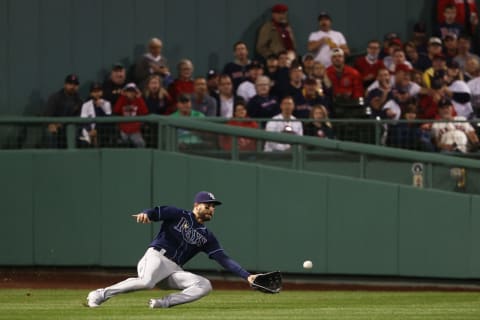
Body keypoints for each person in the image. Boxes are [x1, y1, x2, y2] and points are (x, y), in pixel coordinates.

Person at [86, 191, 259, 308]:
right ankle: (100, 294)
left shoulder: (207, 236)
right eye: (208, 205)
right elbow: (154, 212)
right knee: (146, 282)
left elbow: (224, 259)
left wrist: (247, 276)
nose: (211, 209)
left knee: (205, 285)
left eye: (214, 207)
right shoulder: (178, 214)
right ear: (197, 205)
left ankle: (163, 303)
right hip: (156, 257)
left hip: (173, 271)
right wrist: (145, 214)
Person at [44, 74, 83, 148]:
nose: (72, 87)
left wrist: (63, 124)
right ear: (65, 84)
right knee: (50, 132)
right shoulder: (56, 97)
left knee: (78, 132)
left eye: (75, 84)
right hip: (56, 129)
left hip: (69, 128)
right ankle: (52, 158)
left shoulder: (79, 101)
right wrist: (51, 124)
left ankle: (73, 157)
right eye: (70, 84)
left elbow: (78, 119)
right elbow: (47, 115)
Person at [113, 83, 149, 148]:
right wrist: (122, 97)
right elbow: (116, 110)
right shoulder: (122, 100)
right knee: (121, 144)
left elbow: (144, 112)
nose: (131, 93)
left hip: (135, 129)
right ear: (125, 92)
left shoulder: (138, 100)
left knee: (141, 144)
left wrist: (139, 98)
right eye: (128, 91)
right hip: (123, 129)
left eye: (133, 91)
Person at [78, 82, 112, 147]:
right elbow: (83, 121)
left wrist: (100, 108)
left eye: (98, 91)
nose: (97, 94)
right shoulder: (86, 105)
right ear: (91, 93)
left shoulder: (107, 104)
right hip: (89, 131)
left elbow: (108, 121)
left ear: (102, 92)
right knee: (83, 136)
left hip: (102, 131)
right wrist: (91, 131)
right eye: (94, 91)